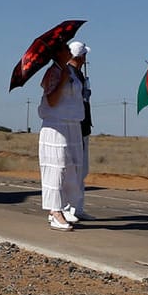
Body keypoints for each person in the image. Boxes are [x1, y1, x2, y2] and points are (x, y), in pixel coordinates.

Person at [36, 41, 86, 230]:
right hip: (56, 125)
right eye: (65, 49)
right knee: (57, 168)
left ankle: (63, 207)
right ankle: (54, 211)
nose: (69, 52)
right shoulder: (54, 72)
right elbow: (52, 99)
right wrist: (63, 78)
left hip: (72, 124)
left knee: (71, 167)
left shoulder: (70, 71)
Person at [68, 40, 92, 219]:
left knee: (82, 169)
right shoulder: (69, 75)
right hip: (75, 126)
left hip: (84, 126)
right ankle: (68, 207)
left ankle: (78, 207)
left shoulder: (80, 76)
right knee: (73, 168)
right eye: (84, 55)